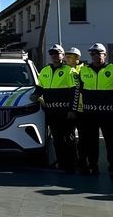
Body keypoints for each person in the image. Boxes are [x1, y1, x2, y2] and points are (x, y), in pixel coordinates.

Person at [74, 43, 113, 180]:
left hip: (109, 114)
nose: (96, 56)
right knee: (90, 141)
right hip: (89, 113)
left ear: (105, 54)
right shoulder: (84, 70)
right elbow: (79, 90)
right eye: (93, 54)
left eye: (99, 53)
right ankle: (93, 165)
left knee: (111, 142)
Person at [33, 44, 79, 173]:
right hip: (51, 112)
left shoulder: (70, 71)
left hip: (66, 112)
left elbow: (75, 92)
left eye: (57, 53)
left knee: (68, 139)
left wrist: (73, 110)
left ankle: (72, 164)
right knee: (57, 139)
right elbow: (39, 88)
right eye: (52, 53)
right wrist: (34, 96)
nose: (54, 55)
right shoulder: (44, 71)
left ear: (63, 55)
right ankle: (61, 162)